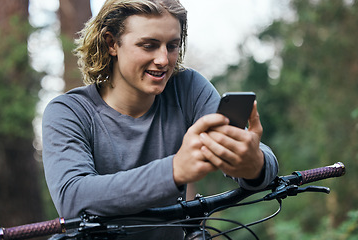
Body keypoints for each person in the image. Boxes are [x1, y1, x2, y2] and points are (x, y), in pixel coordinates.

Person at [42, 0, 278, 239]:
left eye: (172, 46)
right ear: (112, 43)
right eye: (149, 46)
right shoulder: (68, 112)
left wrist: (254, 163)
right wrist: (174, 170)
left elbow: (257, 157)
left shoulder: (188, 88)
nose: (164, 59)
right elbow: (72, 198)